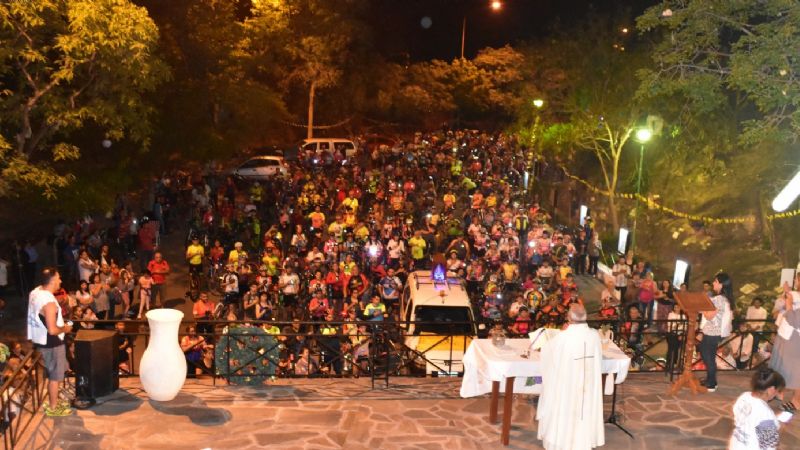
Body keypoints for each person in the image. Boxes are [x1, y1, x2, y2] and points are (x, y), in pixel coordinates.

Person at [536, 304, 604, 450]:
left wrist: (560, 333)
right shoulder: (594, 335)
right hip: (587, 386)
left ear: (568, 318)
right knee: (584, 409)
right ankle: (583, 441)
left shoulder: (563, 337)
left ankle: (564, 441)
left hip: (568, 385)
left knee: (566, 407)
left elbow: (546, 352)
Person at [26, 267, 73, 416]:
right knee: (55, 377)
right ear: (52, 280)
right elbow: (52, 329)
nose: (60, 280)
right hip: (52, 343)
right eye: (58, 278)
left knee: (51, 372)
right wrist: (65, 329)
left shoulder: (36, 292)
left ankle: (53, 401)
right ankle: (53, 408)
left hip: (41, 340)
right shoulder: (49, 303)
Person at [729, 368, 785, 450]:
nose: (777, 394)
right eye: (778, 391)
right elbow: (769, 445)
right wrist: (780, 427)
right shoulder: (765, 413)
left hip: (736, 444)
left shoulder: (744, 396)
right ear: (771, 390)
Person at [699, 272, 734, 392]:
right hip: (715, 332)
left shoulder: (719, 299)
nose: (713, 283)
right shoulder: (725, 298)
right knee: (710, 356)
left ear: (721, 284)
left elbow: (709, 316)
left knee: (707, 357)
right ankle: (710, 379)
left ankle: (712, 383)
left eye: (715, 281)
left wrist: (702, 306)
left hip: (712, 332)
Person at [770, 287, 800, 411]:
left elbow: (795, 321)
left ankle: (796, 401)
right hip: (787, 336)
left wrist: (789, 304)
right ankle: (779, 392)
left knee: (795, 370)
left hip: (794, 340)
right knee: (782, 366)